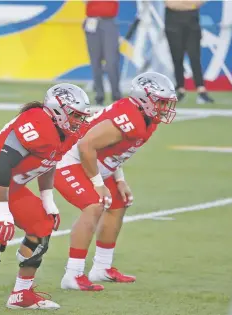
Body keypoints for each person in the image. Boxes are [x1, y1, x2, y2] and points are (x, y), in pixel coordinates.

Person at [0, 84, 91, 314]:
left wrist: (47, 198)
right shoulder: (37, 123)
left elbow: (51, 160)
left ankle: (22, 293)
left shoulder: (67, 131)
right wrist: (3, 212)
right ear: (58, 111)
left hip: (5, 183)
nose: (78, 121)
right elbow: (3, 164)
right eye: (75, 115)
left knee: (42, 224)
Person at [55, 72, 178, 290]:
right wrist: (98, 184)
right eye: (160, 102)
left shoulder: (146, 118)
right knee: (93, 205)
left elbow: (115, 150)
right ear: (144, 99)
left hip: (94, 161)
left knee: (119, 202)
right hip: (69, 158)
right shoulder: (129, 117)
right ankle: (72, 275)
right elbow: (86, 146)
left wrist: (118, 178)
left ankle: (101, 268)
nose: (164, 108)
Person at [164, 0, 214, 104]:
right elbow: (170, 3)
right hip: (173, 20)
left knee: (195, 56)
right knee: (177, 57)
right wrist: (189, 3)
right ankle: (180, 89)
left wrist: (183, 3)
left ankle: (201, 90)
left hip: (192, 20)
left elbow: (199, 2)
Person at [84, 0, 122, 105]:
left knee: (111, 61)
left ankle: (116, 95)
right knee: (95, 62)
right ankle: (99, 96)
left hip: (108, 22)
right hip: (92, 21)